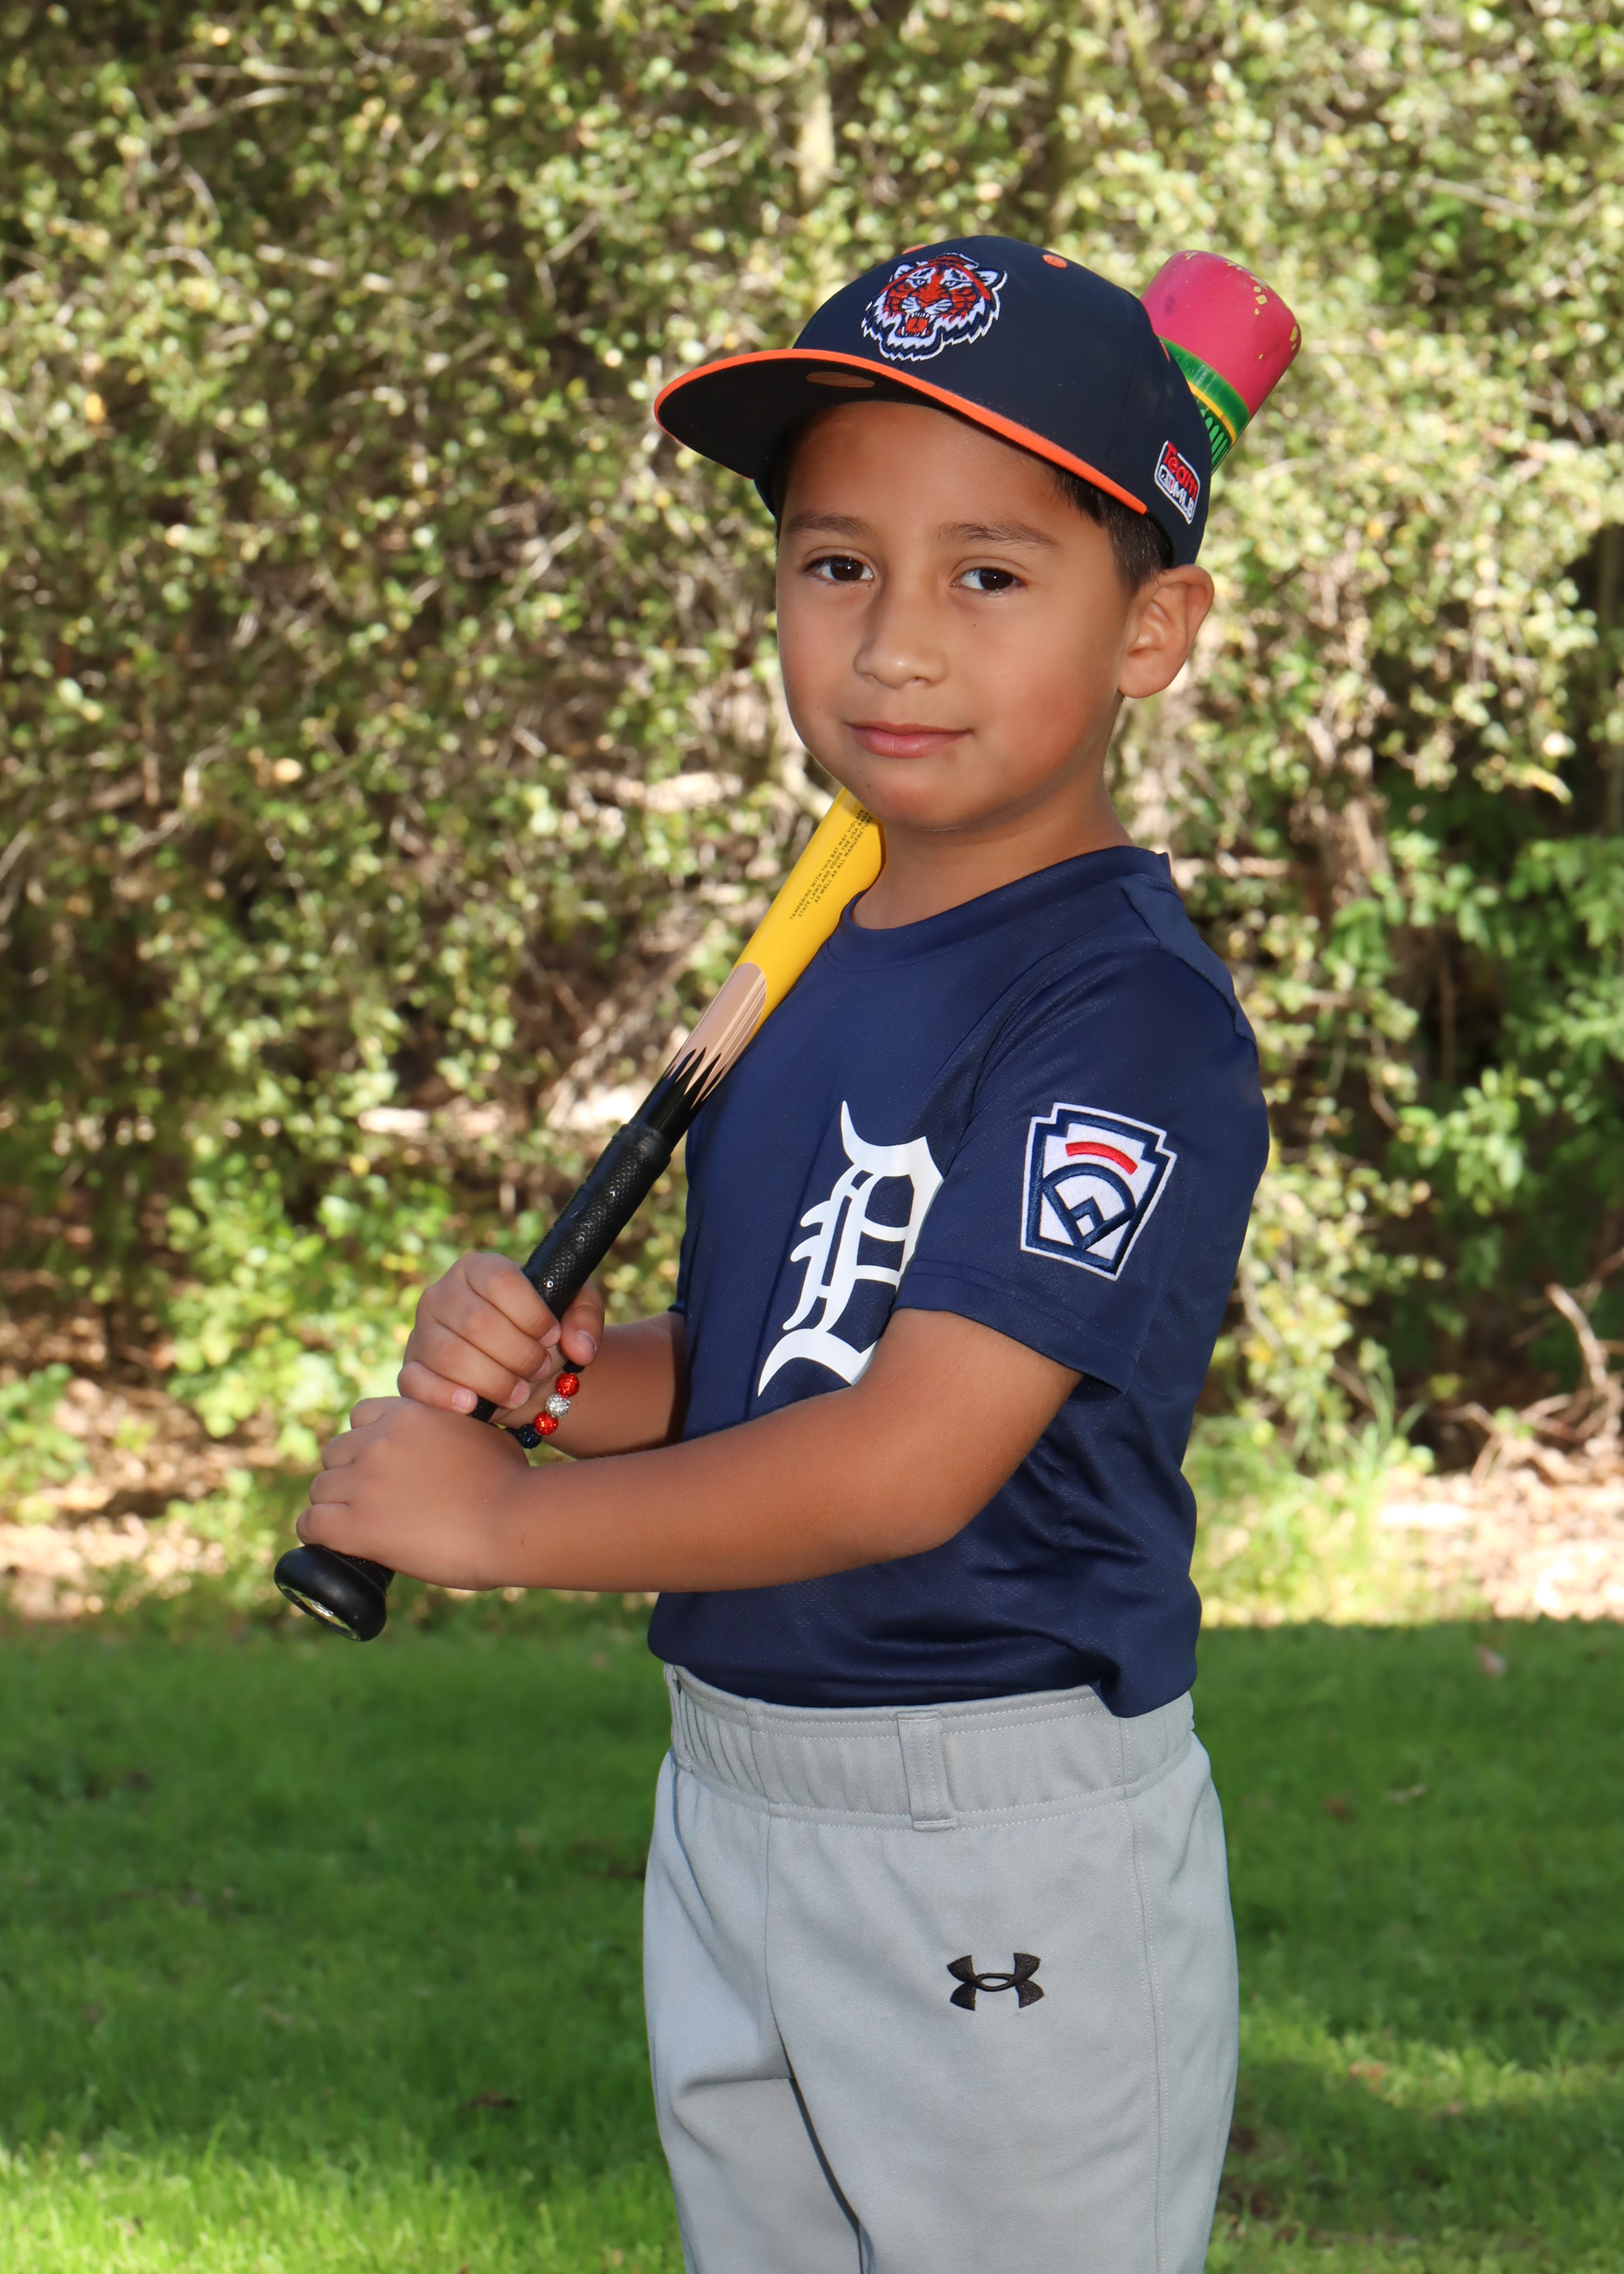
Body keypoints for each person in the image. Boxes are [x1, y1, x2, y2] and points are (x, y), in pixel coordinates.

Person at [299, 236, 1274, 2273]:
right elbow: (792, 1358)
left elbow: (906, 1457)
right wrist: (573, 1386)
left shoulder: (1122, 1015)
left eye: (987, 574)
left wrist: (500, 1522)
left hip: (982, 1811)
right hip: (739, 1779)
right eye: (838, 563)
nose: (894, 643)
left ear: (1151, 628)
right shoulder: (828, 956)